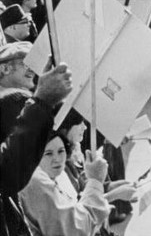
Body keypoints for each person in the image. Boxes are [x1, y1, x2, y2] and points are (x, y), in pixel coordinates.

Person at [0, 42, 74, 236]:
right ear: (5, 69)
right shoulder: (12, 100)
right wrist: (43, 101)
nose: (32, 70)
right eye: (26, 64)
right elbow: (8, 169)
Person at [18, 131, 111, 236]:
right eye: (48, 153)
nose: (57, 159)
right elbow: (75, 229)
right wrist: (95, 181)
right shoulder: (33, 179)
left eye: (61, 151)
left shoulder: (60, 175)